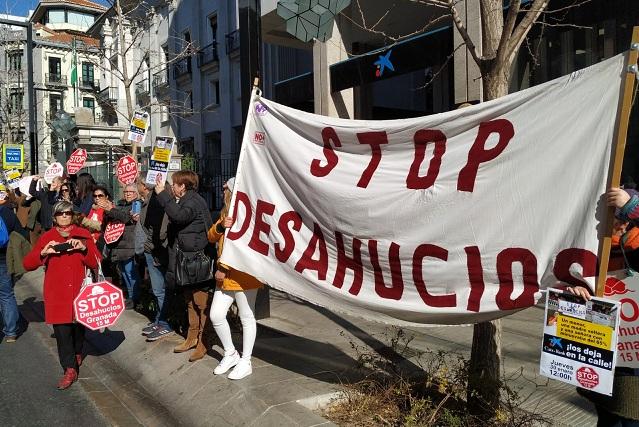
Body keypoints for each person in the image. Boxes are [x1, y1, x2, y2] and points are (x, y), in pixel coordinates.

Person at [566, 186, 639, 426]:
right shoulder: (594, 244)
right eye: (614, 215)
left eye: (622, 215)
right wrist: (578, 289)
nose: (620, 222)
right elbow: (573, 275)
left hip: (634, 347)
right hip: (606, 343)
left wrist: (632, 206)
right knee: (610, 413)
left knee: (629, 415)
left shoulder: (636, 239)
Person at [23, 201, 101, 389]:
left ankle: (77, 352)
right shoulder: (48, 237)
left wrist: (84, 249)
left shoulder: (83, 235)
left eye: (68, 213)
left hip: (79, 292)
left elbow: (96, 261)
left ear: (73, 215)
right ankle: (69, 369)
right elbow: (28, 264)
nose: (64, 216)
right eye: (60, 213)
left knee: (78, 330)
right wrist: (43, 252)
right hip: (57, 293)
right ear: (54, 217)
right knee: (62, 332)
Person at [208, 177, 263, 380]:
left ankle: (246, 361)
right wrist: (222, 226)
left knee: (247, 318)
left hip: (243, 275)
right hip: (226, 277)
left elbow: (244, 248)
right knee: (216, 315)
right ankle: (230, 353)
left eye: (225, 188)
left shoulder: (249, 214)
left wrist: (223, 267)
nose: (222, 191)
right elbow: (211, 236)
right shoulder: (225, 213)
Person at [154, 171, 213, 362]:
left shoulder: (193, 201)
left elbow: (179, 217)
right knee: (189, 300)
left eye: (174, 184)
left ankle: (203, 341)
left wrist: (162, 194)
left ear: (183, 186)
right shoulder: (186, 199)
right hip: (185, 260)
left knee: (200, 302)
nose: (172, 187)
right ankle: (192, 337)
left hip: (195, 260)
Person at [137, 177, 173, 341]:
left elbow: (162, 228)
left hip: (158, 249)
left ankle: (164, 322)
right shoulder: (149, 200)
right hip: (152, 248)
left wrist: (155, 244)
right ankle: (160, 319)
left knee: (161, 290)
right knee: (158, 289)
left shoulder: (159, 200)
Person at [99, 184, 140, 310]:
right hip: (119, 244)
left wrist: (111, 209)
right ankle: (130, 296)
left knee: (130, 272)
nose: (127, 193)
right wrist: (108, 210)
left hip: (129, 244)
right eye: (126, 191)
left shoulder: (137, 204)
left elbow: (126, 218)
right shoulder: (120, 204)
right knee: (124, 272)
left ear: (136, 193)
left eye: (131, 192)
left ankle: (135, 299)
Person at [0, 190, 28, 343]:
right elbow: (21, 234)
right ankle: (11, 332)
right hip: (4, 258)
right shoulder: (8, 213)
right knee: (6, 294)